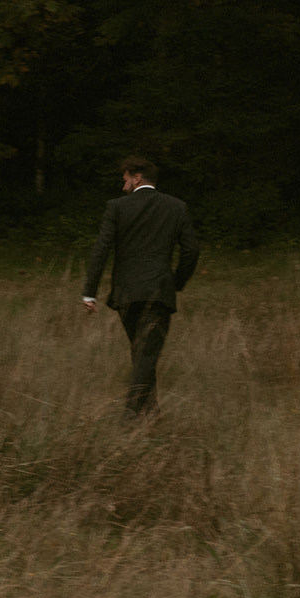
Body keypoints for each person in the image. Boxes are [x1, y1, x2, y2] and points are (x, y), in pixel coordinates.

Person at [81, 157, 199, 417]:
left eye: (125, 180)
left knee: (142, 351)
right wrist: (176, 282)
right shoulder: (176, 207)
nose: (123, 187)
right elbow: (192, 250)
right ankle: (131, 417)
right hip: (158, 291)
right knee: (145, 353)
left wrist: (90, 292)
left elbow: (101, 250)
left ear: (137, 178)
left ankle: (149, 412)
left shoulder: (117, 208)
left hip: (125, 294)